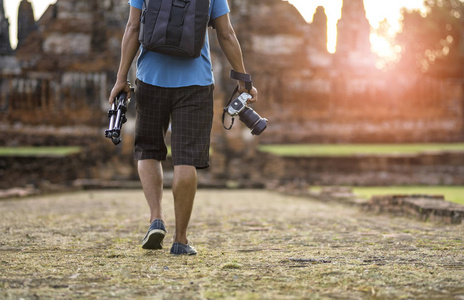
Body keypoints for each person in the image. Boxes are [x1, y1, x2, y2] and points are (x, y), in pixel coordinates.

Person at [108, 0, 258, 255]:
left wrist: (121, 79)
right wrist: (243, 80)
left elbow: (133, 27)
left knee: (148, 151)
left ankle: (156, 219)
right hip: (196, 83)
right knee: (186, 160)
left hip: (150, 79)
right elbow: (227, 34)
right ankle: (180, 240)